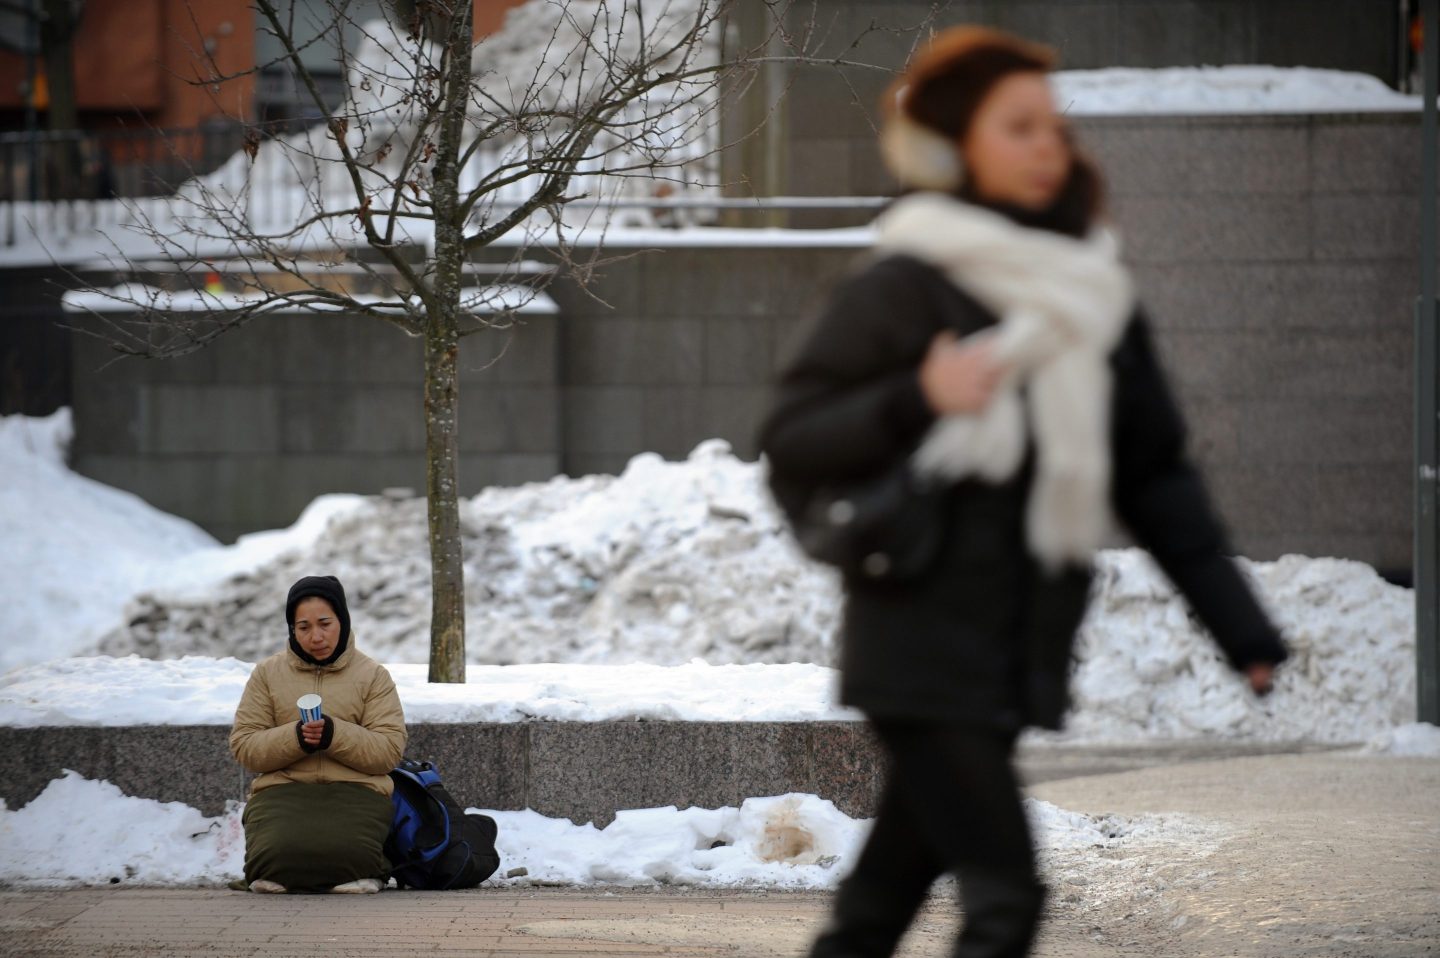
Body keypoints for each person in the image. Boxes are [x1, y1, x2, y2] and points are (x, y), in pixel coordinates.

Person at [759, 26, 1289, 958]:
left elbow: (1155, 473)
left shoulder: (1090, 297)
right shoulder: (908, 284)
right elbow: (793, 437)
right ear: (953, 146)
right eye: (1019, 127)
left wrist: (1239, 626)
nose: (1050, 146)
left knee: (879, 904)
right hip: (918, 638)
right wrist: (917, 396)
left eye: (1056, 127)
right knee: (1007, 899)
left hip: (1017, 642)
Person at [230, 575, 407, 894]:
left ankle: (367, 867)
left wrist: (334, 735)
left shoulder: (373, 676)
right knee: (274, 858)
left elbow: (389, 750)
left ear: (343, 619)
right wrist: (296, 737)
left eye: (325, 623)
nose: (316, 636)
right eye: (304, 627)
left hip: (356, 789)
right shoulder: (267, 675)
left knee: (349, 855)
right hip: (283, 789)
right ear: (292, 630)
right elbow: (245, 746)